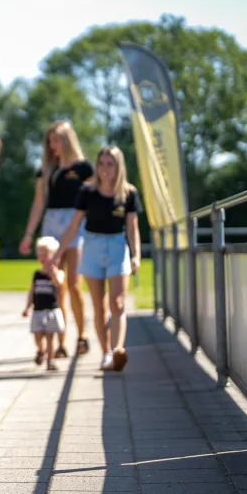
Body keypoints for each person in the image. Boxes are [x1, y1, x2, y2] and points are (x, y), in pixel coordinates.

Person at [55, 146, 141, 372]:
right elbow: (74, 226)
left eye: (110, 164)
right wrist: (58, 252)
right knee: (99, 305)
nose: (104, 169)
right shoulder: (87, 191)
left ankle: (118, 350)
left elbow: (132, 228)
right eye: (101, 164)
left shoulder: (129, 193)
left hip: (117, 247)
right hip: (92, 246)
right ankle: (105, 353)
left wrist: (136, 255)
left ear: (118, 167)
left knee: (117, 302)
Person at [19, 121, 93, 358]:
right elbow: (38, 203)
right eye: (50, 141)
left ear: (67, 140)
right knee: (55, 284)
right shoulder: (46, 170)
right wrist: (29, 234)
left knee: (73, 283)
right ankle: (60, 342)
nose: (52, 146)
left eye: (56, 140)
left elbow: (94, 199)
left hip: (76, 225)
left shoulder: (84, 168)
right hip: (52, 224)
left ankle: (82, 336)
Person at [23, 237, 65, 372]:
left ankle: (51, 360)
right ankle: (41, 350)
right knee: (37, 334)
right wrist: (28, 307)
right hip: (38, 310)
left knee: (50, 336)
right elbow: (32, 292)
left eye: (45, 254)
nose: (42, 257)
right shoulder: (37, 274)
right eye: (40, 254)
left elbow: (60, 286)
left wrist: (53, 273)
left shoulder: (59, 273)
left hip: (51, 309)